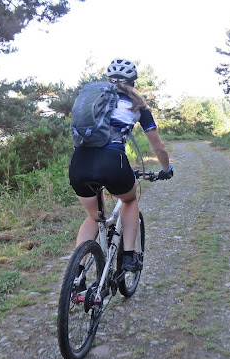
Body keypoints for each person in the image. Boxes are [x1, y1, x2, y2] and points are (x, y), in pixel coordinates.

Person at [68, 57, 173, 272]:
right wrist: (166, 169)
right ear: (133, 81)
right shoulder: (138, 105)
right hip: (112, 162)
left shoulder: (93, 101)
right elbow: (158, 147)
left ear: (109, 79)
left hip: (79, 163)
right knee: (129, 200)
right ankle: (128, 256)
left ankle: (76, 275)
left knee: (94, 216)